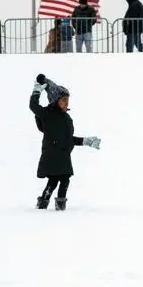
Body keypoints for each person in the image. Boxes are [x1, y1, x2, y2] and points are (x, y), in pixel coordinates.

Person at [29, 74, 101, 210]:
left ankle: (51, 205)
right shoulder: (48, 114)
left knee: (60, 180)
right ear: (56, 100)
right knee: (57, 180)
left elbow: (68, 139)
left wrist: (86, 141)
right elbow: (33, 106)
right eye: (63, 100)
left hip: (63, 156)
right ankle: (52, 206)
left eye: (67, 100)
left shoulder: (66, 118)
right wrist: (36, 91)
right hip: (53, 154)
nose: (66, 103)